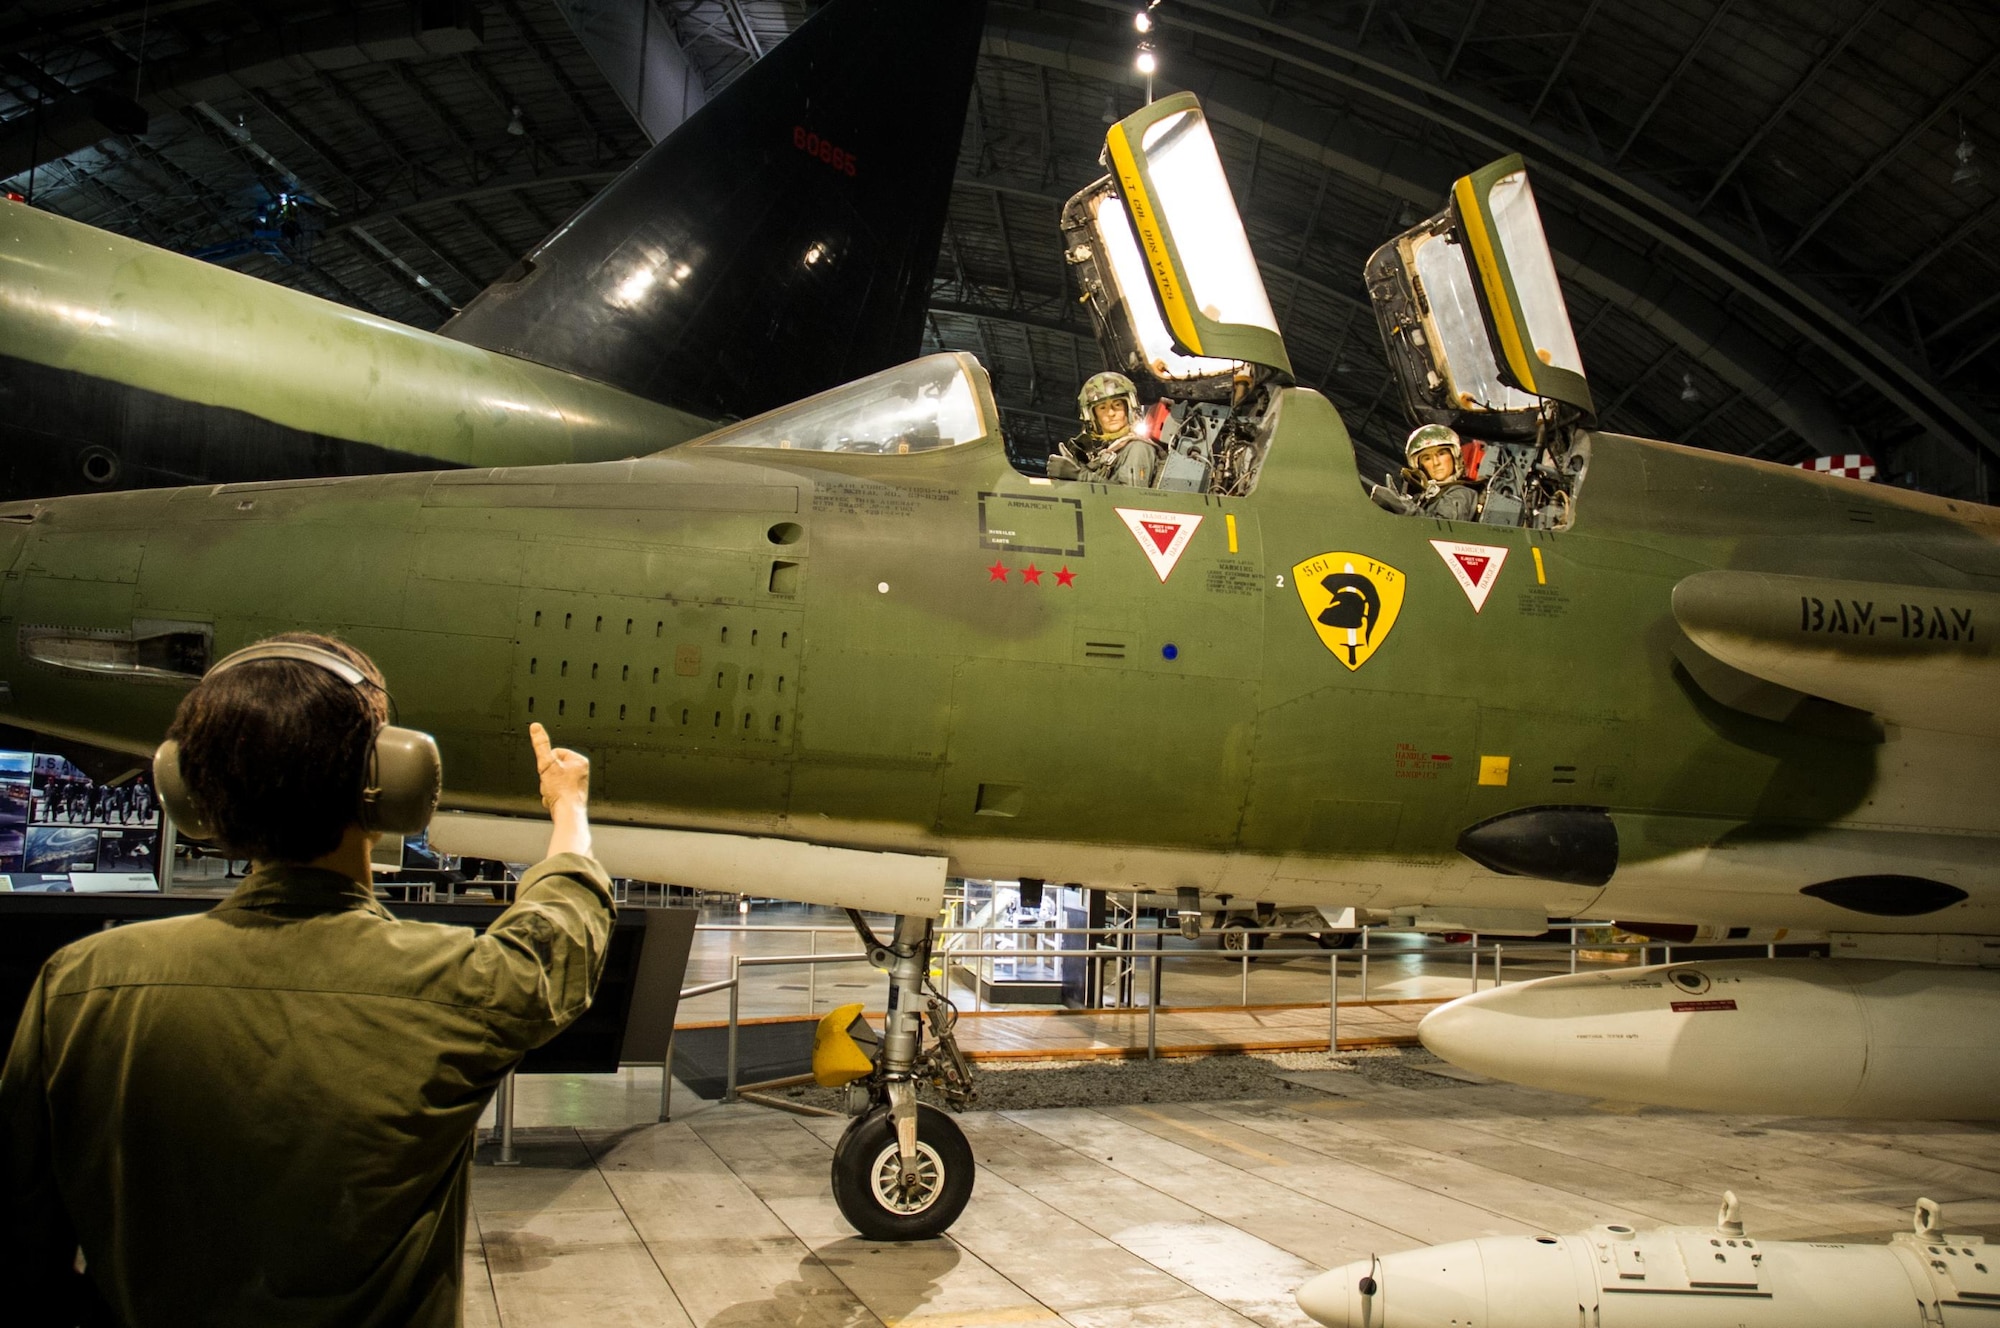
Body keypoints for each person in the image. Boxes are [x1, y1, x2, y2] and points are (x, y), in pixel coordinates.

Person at [1, 632, 612, 1328]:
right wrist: (569, 809)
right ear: (396, 782)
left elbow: (24, 1241)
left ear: (188, 791)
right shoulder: (458, 984)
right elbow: (559, 930)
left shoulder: (80, 990)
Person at [1049, 370, 1161, 486]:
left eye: (1117, 405)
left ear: (1129, 408)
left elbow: (1132, 498)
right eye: (1102, 408)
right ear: (1094, 417)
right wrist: (1075, 467)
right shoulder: (1107, 453)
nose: (1111, 413)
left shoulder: (1138, 448)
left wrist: (1079, 475)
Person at [1371, 423, 1483, 521]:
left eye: (1441, 454)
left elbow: (1442, 529)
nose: (1436, 462)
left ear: (1454, 457)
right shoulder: (1423, 499)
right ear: (1421, 467)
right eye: (1427, 458)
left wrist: (1401, 507)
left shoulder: (1461, 493)